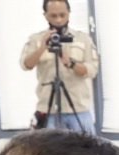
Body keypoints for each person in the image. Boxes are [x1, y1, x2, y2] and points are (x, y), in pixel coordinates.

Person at [21, 0, 100, 134]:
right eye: (53, 15)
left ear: (69, 13)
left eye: (62, 15)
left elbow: (92, 70)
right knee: (48, 154)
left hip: (78, 108)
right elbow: (26, 65)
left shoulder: (83, 39)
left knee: (86, 152)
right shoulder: (36, 39)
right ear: (45, 15)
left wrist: (70, 63)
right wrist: (41, 48)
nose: (58, 20)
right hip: (48, 109)